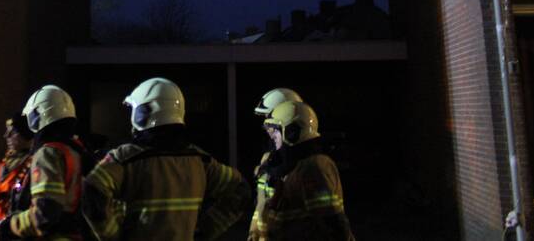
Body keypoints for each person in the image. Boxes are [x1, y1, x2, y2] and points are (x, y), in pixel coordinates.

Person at [83, 77, 250, 240]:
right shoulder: (200, 161)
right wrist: (205, 230)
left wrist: (113, 235)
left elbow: (92, 191)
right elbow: (240, 190)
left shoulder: (125, 159)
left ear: (143, 114)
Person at [0, 85, 89, 240]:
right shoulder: (77, 151)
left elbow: (44, 214)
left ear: (40, 115)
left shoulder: (48, 153)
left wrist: (7, 227)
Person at [259, 101, 354, 240]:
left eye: (276, 132)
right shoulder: (293, 168)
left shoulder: (313, 168)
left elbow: (331, 225)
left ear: (291, 133)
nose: (272, 138)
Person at [249, 88, 303, 241]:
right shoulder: (268, 159)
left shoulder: (307, 166)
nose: (267, 127)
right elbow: (261, 205)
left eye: (270, 120)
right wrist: (254, 233)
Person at [0, 115, 35, 228]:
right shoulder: (3, 165)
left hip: (18, 228)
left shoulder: (34, 165)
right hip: (0, 226)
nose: (6, 136)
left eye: (12, 132)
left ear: (26, 134)